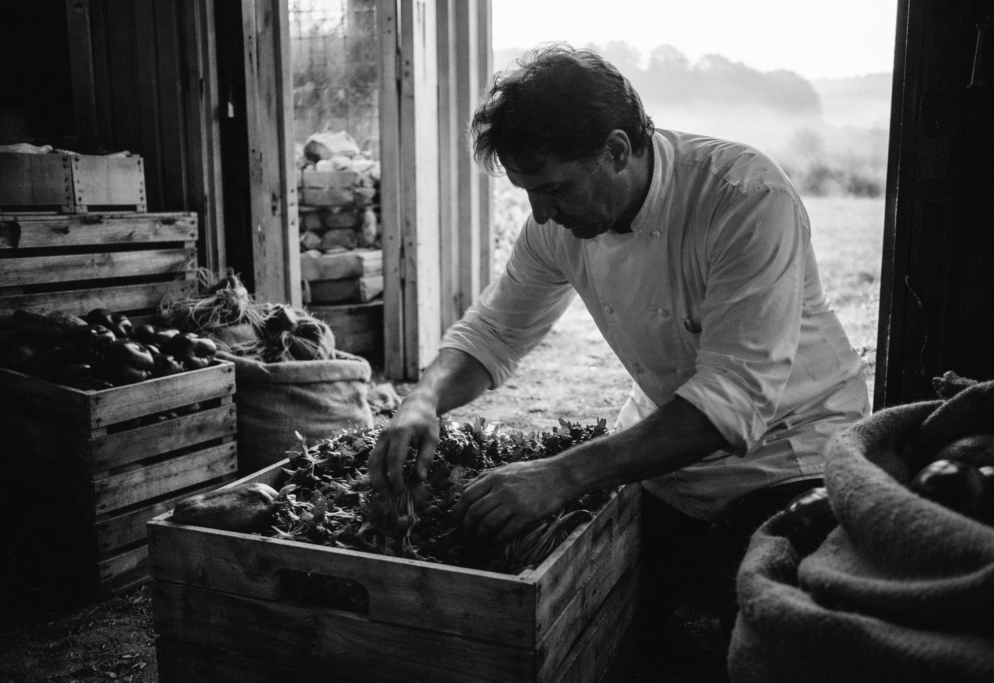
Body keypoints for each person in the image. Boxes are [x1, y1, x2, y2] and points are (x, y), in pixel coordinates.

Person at [368, 44, 869, 638]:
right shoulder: (554, 225)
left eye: (554, 189)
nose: (542, 214)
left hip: (793, 452)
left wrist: (558, 474)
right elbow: (494, 332)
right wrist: (422, 401)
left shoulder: (745, 197)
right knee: (591, 609)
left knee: (758, 612)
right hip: (664, 454)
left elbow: (734, 398)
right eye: (529, 192)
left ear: (615, 149)